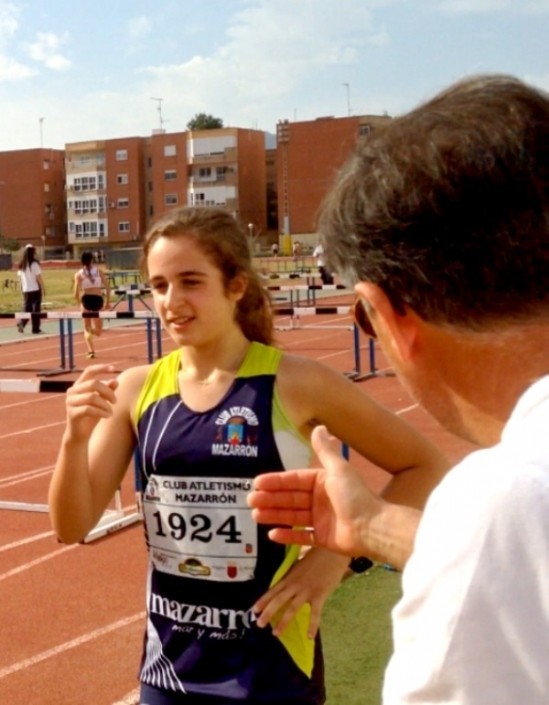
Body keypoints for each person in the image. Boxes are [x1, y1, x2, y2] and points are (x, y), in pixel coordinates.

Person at [49, 206, 448, 705]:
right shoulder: (137, 389)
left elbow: (425, 465)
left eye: (190, 281)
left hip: (272, 666)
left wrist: (331, 561)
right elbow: (72, 526)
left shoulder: (295, 383)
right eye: (159, 285)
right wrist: (73, 437)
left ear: (236, 284)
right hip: (169, 673)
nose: (172, 301)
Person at [248, 74, 549, 703]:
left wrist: (469, 532)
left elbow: (511, 540)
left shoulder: (502, 500)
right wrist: (378, 524)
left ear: (388, 314)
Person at [73, 250, 110, 358]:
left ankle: (91, 350)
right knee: (98, 331)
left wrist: (80, 304)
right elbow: (108, 287)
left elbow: (75, 293)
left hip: (86, 300)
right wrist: (107, 302)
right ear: (92, 260)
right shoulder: (99, 271)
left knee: (86, 328)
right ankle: (91, 349)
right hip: (98, 299)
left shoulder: (78, 274)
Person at [16, 244, 46, 334]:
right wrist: (44, 288)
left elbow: (20, 278)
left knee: (27, 309)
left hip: (26, 290)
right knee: (36, 310)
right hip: (35, 289)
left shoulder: (22, 265)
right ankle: (35, 328)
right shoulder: (34, 264)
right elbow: (38, 277)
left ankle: (22, 323)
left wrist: (21, 288)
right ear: (33, 252)